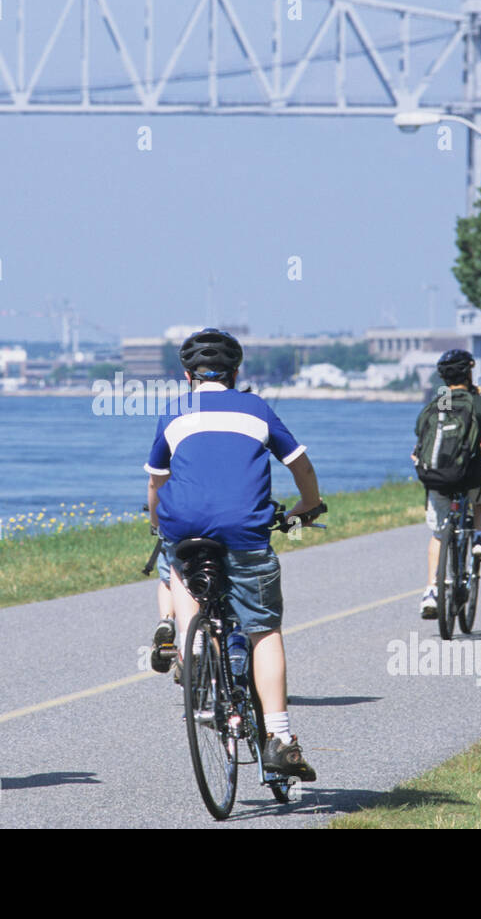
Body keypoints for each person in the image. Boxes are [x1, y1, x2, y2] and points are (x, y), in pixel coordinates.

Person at [145, 328, 323, 781]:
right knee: (263, 629)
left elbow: (155, 483)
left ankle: (193, 642)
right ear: (237, 372)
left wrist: (157, 523)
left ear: (187, 375)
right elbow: (300, 464)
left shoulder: (174, 414)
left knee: (180, 567)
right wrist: (309, 506)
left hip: (184, 527)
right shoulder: (257, 408)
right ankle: (280, 738)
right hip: (245, 531)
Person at [412, 349, 481, 620]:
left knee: (439, 534)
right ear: (469, 372)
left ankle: (431, 591)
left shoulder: (434, 405)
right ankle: (479, 536)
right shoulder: (479, 404)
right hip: (470, 479)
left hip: (436, 480)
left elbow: (420, 435)